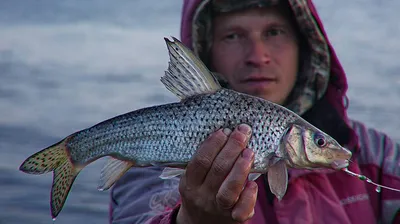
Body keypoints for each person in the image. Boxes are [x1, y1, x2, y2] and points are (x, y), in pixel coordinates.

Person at [109, 0, 400, 223]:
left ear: (307, 46)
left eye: (274, 32)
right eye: (233, 36)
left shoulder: (380, 156)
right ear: (205, 50)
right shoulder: (144, 162)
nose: (257, 56)